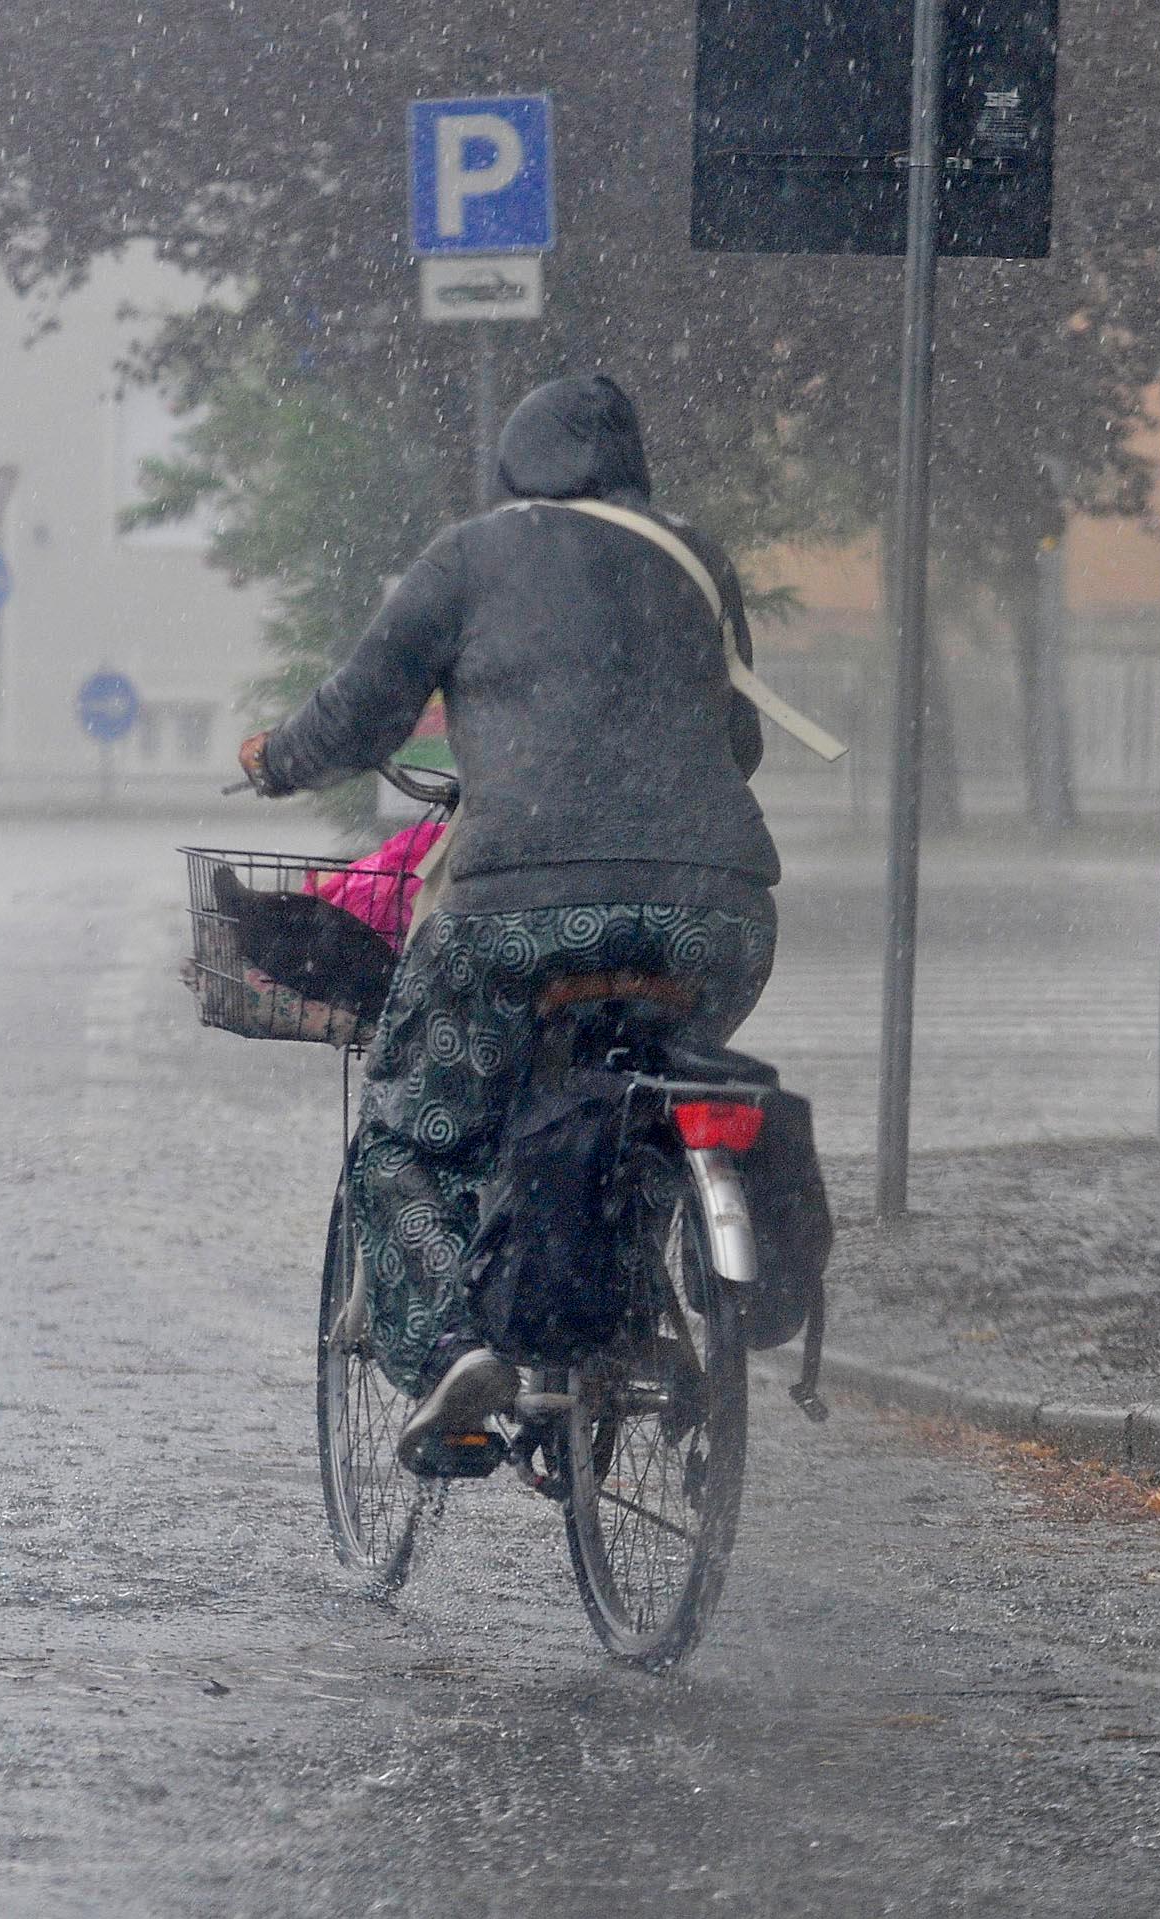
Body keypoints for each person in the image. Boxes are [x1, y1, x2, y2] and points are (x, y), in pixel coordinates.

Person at [238, 374, 780, 1465]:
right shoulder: (693, 559)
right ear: (632, 469)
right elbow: (741, 741)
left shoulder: (468, 556)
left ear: (509, 468)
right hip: (714, 915)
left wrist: (275, 760)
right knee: (636, 1094)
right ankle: (621, 1306)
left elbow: (358, 709)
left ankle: (450, 1345)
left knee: (408, 1134)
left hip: (520, 913)